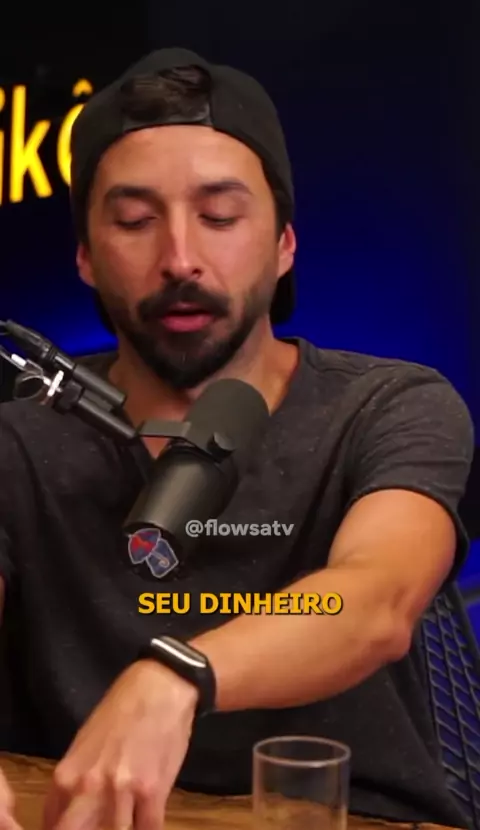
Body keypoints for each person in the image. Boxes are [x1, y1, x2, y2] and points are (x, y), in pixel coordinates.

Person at [0, 46, 474, 830]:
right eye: (134, 221)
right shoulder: (19, 439)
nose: (180, 259)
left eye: (220, 216)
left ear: (285, 244)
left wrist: (177, 674)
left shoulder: (389, 405)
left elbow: (375, 596)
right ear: (85, 256)